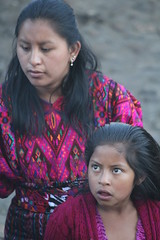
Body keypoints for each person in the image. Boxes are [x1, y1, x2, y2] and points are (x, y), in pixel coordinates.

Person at [0, 0, 143, 239]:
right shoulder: (5, 104)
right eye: (25, 47)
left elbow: (137, 168)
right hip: (27, 230)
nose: (33, 60)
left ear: (73, 50)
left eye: (45, 49)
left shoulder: (109, 97)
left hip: (96, 225)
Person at [44, 122, 160, 240]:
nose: (103, 180)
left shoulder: (156, 215)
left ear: (140, 176)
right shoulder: (65, 219)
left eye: (116, 170)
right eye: (96, 167)